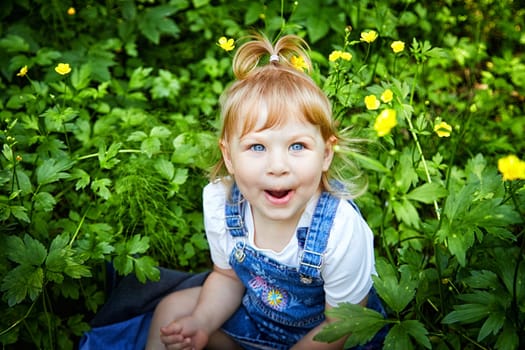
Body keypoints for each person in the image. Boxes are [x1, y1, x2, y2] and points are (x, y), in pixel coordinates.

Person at [146, 32, 386, 350]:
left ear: (326, 154)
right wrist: (202, 322)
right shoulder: (222, 203)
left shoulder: (340, 230)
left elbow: (341, 326)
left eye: (297, 146)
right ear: (229, 156)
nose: (277, 166)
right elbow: (229, 278)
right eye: (257, 146)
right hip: (255, 319)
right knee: (172, 312)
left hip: (325, 338)